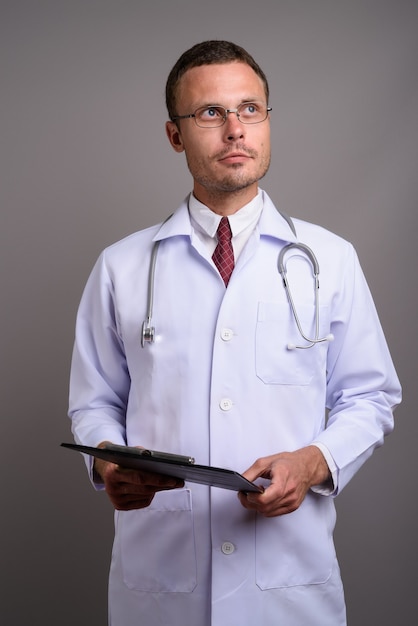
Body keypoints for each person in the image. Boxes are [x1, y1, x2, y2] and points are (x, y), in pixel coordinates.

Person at [68, 40, 401, 626]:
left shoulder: (330, 258)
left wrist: (314, 461)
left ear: (268, 121)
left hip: (288, 589)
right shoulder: (121, 266)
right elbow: (95, 405)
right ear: (175, 135)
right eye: (210, 113)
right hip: (161, 586)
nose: (235, 131)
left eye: (250, 109)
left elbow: (370, 396)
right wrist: (108, 465)